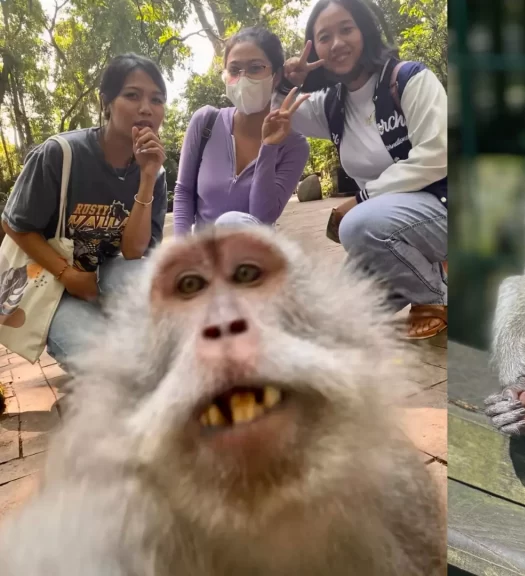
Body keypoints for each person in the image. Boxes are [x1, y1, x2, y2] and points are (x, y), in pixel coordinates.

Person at [278, 0, 448, 340]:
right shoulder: (332, 104)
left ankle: (434, 296)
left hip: (442, 210)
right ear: (316, 50)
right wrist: (289, 82)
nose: (337, 43)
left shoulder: (409, 79)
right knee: (338, 315)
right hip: (385, 224)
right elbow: (282, 114)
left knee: (356, 225)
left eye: (346, 29)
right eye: (324, 36)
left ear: (365, 32)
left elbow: (437, 156)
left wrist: (363, 198)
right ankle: (422, 275)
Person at [1, 54, 169, 370]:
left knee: (165, 293)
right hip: (51, 282)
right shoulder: (60, 154)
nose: (146, 107)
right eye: (132, 95)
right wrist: (69, 275)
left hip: (104, 273)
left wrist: (147, 178)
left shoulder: (156, 173)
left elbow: (133, 253)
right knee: (110, 368)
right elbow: (15, 225)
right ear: (106, 101)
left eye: (156, 99)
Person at [173, 27, 311, 234]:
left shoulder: (294, 146)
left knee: (231, 222)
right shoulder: (206, 122)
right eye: (234, 70)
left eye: (255, 68)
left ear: (276, 76)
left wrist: (269, 147)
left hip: (253, 257)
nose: (243, 78)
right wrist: (181, 256)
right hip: (202, 259)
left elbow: (262, 215)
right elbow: (184, 192)